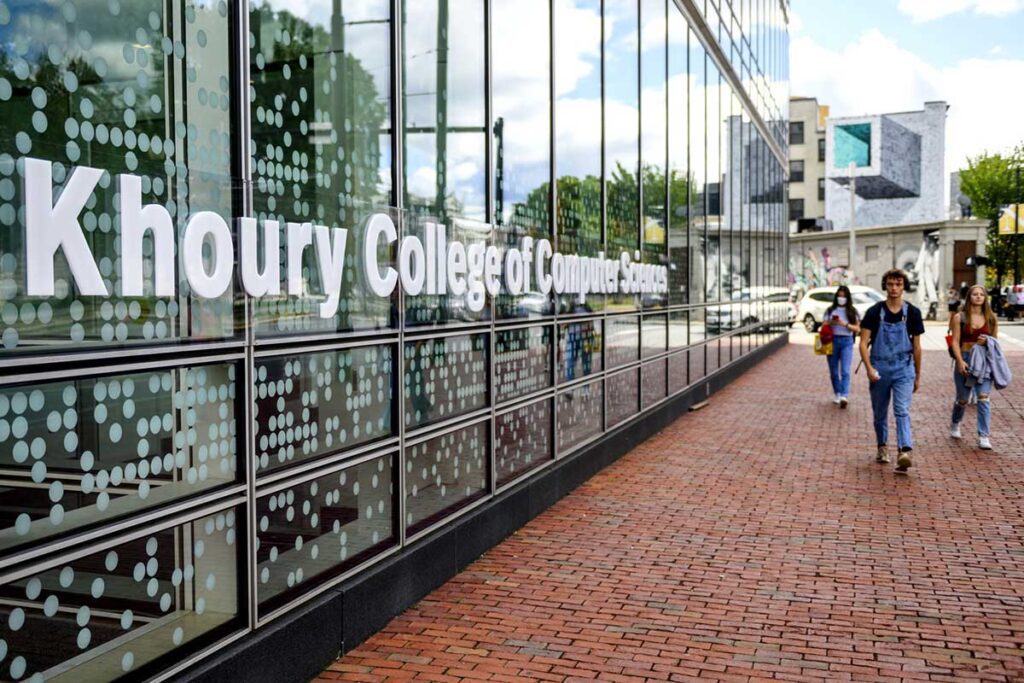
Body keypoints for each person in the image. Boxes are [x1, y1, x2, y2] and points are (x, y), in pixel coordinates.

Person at [859, 269, 925, 473]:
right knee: (880, 413)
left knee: (901, 410)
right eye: (890, 284)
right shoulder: (873, 312)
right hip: (879, 368)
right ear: (885, 286)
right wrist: (869, 368)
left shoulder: (913, 313)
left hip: (904, 368)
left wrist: (917, 374)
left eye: (898, 284)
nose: (894, 288)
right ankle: (882, 446)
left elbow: (917, 347)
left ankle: (904, 451)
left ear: (904, 286)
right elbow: (862, 343)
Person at [950, 285, 999, 450]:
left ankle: (983, 436)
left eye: (981, 295)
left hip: (984, 362)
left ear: (985, 298)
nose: (978, 297)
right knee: (963, 399)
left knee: (983, 398)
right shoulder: (960, 317)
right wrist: (959, 361)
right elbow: (955, 341)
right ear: (969, 297)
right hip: (965, 359)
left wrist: (989, 342)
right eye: (975, 294)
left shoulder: (991, 318)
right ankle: (956, 423)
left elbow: (996, 343)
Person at [823, 285, 860, 407]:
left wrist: (845, 324)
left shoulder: (852, 311)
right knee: (833, 371)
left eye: (844, 296)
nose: (841, 298)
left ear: (847, 297)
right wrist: (831, 322)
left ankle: (844, 395)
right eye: (839, 295)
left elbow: (857, 328)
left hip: (847, 341)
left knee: (845, 370)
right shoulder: (830, 310)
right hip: (832, 341)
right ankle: (838, 393)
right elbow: (823, 325)